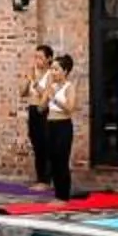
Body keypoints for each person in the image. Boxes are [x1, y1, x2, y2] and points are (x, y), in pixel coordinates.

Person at [42, 53, 79, 201]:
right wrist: (46, 91)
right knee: (53, 160)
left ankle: (63, 196)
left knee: (62, 160)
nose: (53, 72)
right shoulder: (52, 87)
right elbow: (41, 108)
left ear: (65, 71)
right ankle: (57, 194)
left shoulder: (69, 87)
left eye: (56, 69)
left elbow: (70, 108)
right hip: (50, 124)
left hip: (63, 126)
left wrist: (55, 98)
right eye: (52, 69)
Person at [21, 45, 58, 187]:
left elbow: (46, 95)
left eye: (40, 57)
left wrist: (35, 82)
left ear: (49, 59)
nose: (37, 60)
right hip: (33, 110)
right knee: (36, 144)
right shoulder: (33, 72)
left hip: (45, 111)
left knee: (46, 144)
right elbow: (22, 92)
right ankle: (40, 178)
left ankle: (47, 180)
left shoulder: (51, 75)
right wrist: (28, 79)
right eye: (35, 57)